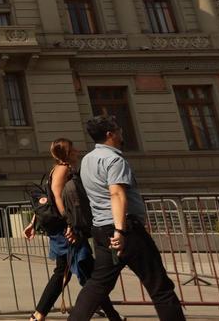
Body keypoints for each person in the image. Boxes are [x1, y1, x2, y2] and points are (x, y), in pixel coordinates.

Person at [68, 116, 186, 321]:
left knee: (97, 284)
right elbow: (116, 194)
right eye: (118, 130)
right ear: (110, 134)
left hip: (101, 229)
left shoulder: (87, 160)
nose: (122, 133)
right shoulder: (114, 160)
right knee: (160, 286)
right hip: (125, 230)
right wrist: (120, 231)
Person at [23, 139, 123, 321]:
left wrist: (33, 222)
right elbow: (56, 196)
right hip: (66, 231)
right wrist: (70, 222)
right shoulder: (62, 169)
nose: (77, 151)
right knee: (81, 274)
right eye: (74, 148)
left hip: (66, 230)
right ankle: (38, 314)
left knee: (81, 273)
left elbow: (48, 200)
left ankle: (39, 314)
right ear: (68, 152)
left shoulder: (60, 168)